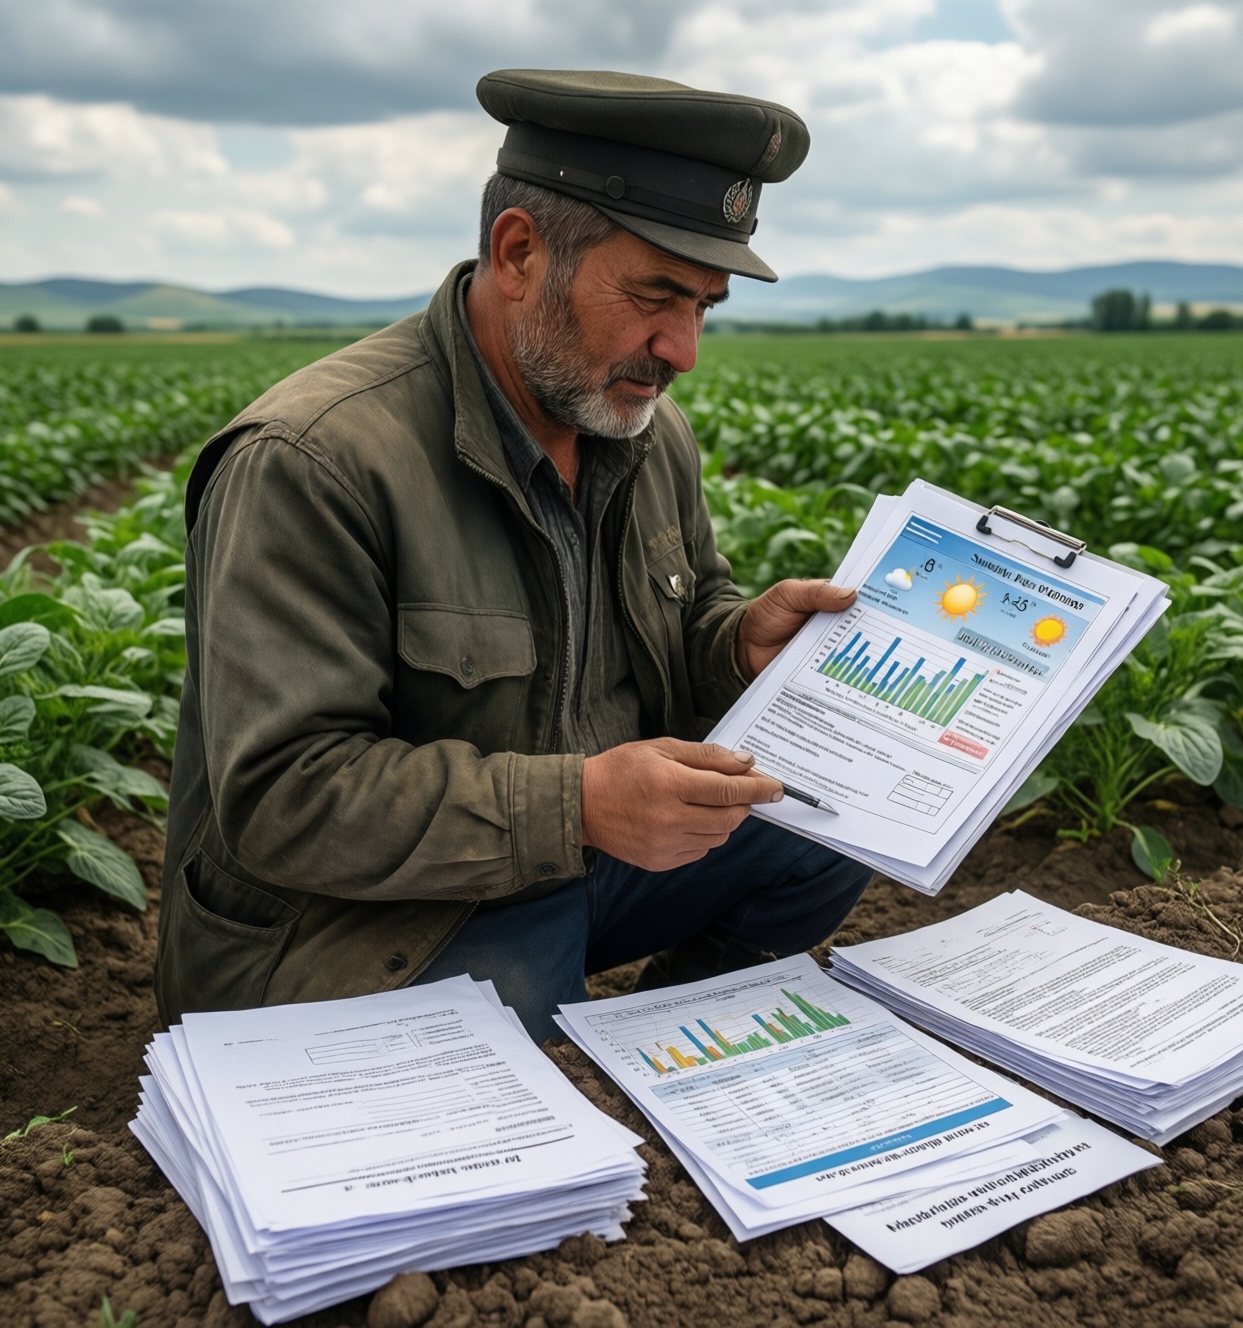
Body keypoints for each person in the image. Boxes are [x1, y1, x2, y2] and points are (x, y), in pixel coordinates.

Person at [155, 69, 871, 1042]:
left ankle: (671, 1053)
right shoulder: (313, 458)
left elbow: (680, 620)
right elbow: (285, 798)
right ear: (520, 253)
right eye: (656, 294)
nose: (683, 347)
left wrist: (731, 645)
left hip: (568, 856)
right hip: (358, 920)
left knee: (823, 828)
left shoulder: (646, 433)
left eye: (706, 304)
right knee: (518, 1027)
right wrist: (575, 805)